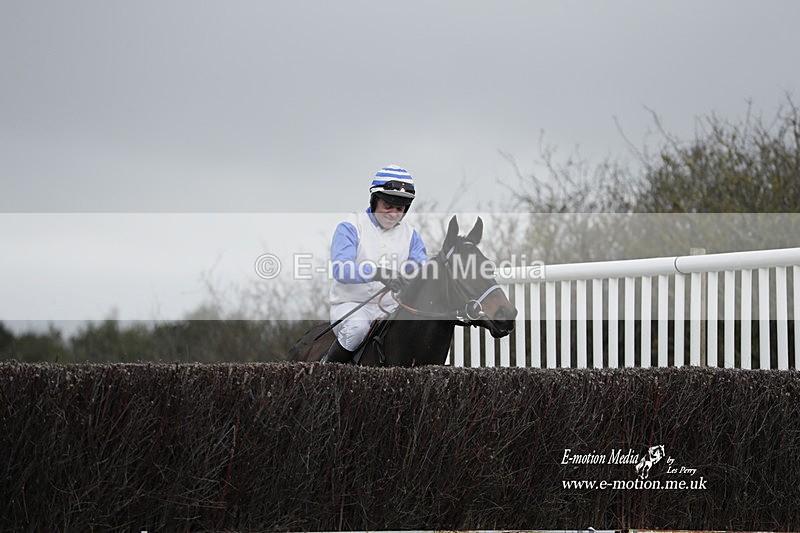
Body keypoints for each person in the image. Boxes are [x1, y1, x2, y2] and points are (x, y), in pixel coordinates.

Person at [322, 165, 428, 363]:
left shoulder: (411, 235)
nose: (393, 213)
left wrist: (405, 274)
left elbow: (421, 266)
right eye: (388, 205)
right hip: (351, 305)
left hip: (392, 308)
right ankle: (324, 372)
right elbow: (340, 269)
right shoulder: (350, 225)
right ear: (374, 200)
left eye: (400, 208)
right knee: (357, 328)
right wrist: (377, 272)